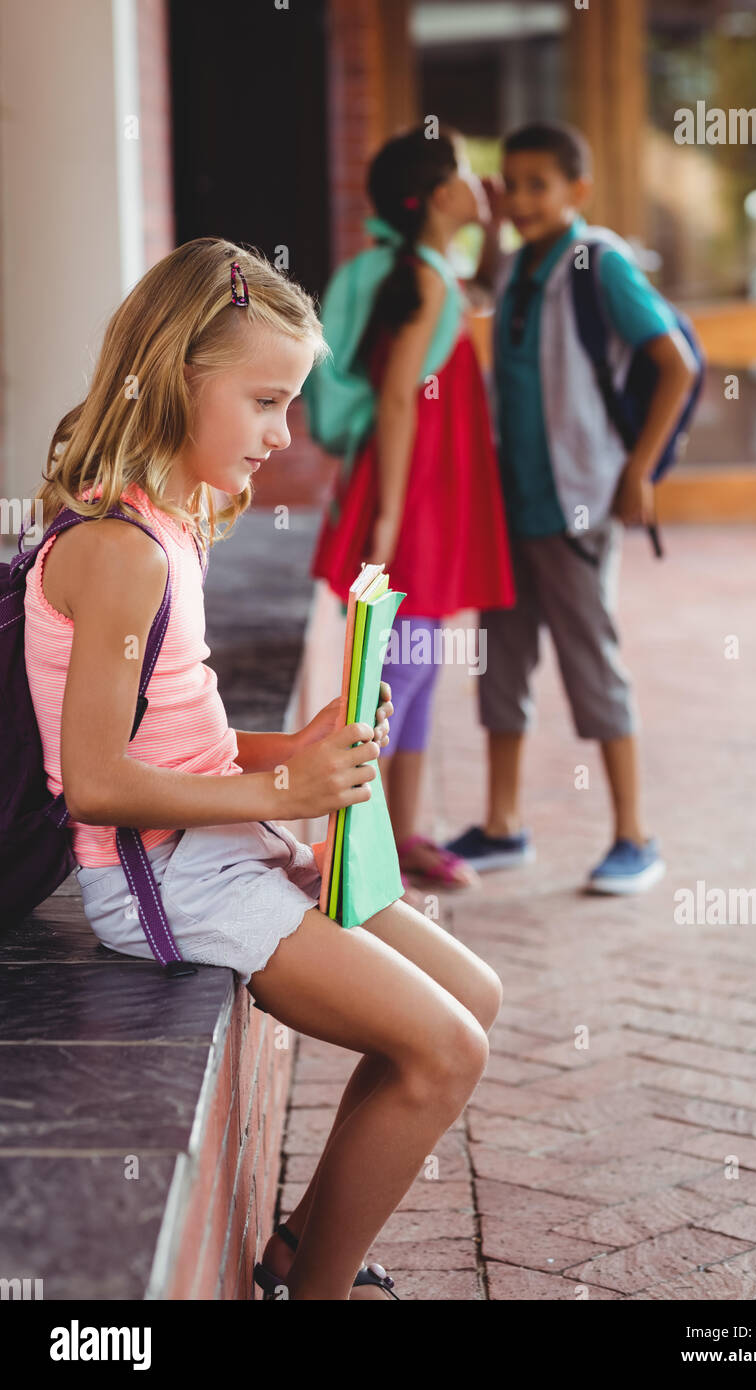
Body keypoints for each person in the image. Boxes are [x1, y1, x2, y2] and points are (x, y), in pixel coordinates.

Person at [24, 237, 502, 1300]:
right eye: (265, 401)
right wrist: (283, 793)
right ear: (178, 376)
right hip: (164, 879)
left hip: (224, 839)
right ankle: (315, 1288)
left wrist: (299, 745)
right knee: (441, 1050)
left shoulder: (168, 525)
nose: (284, 434)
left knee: (471, 992)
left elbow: (177, 734)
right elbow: (98, 782)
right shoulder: (117, 551)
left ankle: (295, 1247)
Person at [446, 121, 700, 893]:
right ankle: (503, 825)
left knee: (592, 663)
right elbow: (486, 288)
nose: (521, 199)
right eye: (511, 184)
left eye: (537, 185)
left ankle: (634, 835)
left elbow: (677, 364)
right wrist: (488, 225)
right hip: (512, 505)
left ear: (576, 192)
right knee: (503, 666)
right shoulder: (524, 264)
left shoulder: (602, 262)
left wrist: (639, 471)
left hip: (580, 501)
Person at [309, 125, 516, 891]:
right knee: (399, 667)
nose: (480, 187)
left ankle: (400, 834)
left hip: (428, 488)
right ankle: (357, 850)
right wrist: (390, 521)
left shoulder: (432, 270)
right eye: (466, 174)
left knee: (420, 663)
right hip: (413, 492)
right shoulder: (425, 278)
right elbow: (398, 397)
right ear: (436, 199)